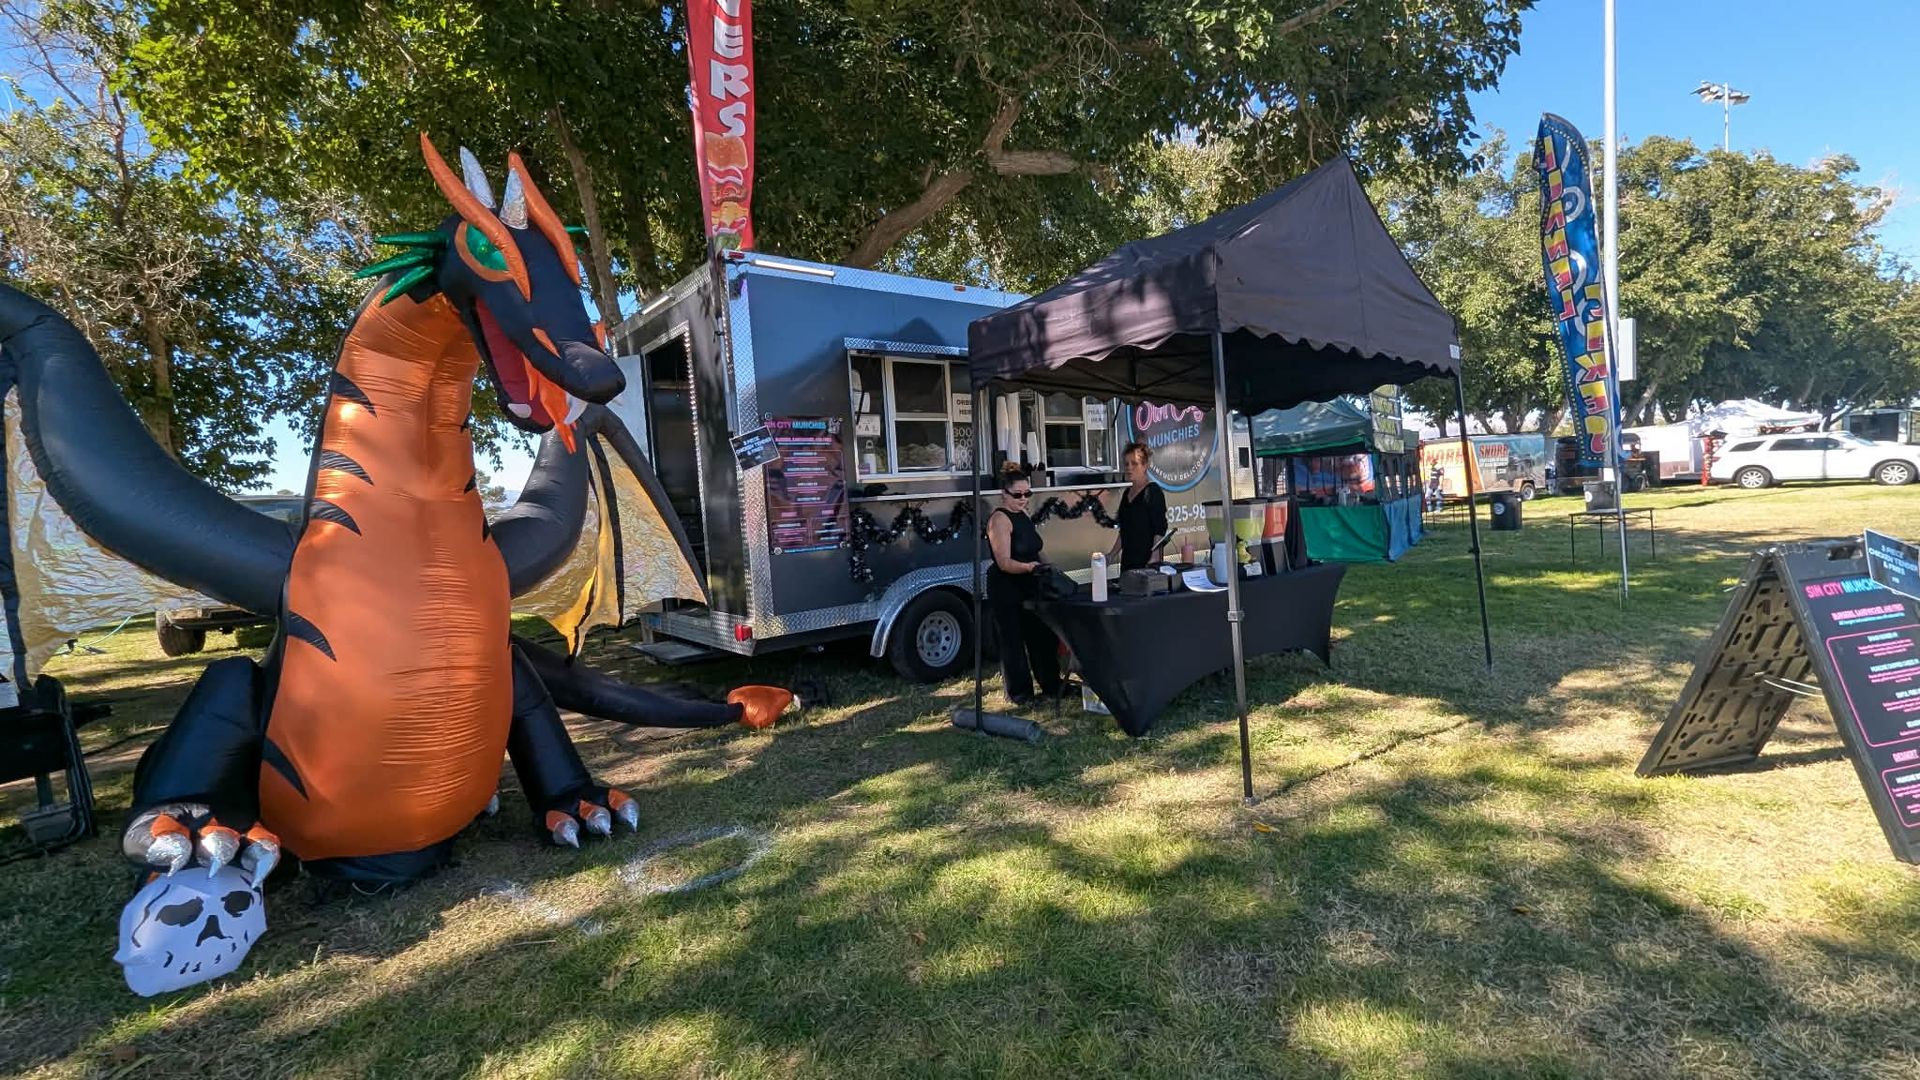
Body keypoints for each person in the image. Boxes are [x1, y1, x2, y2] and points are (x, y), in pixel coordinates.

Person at [986, 462, 1061, 705]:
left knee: (1041, 636)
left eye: (1027, 494)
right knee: (1013, 641)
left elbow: (1036, 548)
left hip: (1030, 584)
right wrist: (1030, 567)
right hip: (1006, 586)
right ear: (1004, 494)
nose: (1023, 499)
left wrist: (1049, 567)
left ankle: (1051, 685)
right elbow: (1004, 562)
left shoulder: (1023, 515)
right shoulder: (999, 519)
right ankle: (1020, 693)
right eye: (1017, 495)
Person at [1109, 441, 1169, 571]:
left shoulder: (1153, 491)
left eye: (1134, 463)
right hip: (1128, 562)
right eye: (1126, 464)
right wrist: (1111, 555)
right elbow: (1124, 531)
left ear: (1145, 465)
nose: (1129, 468)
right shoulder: (1126, 494)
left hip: (1147, 562)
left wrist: (1155, 555)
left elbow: (1160, 529)